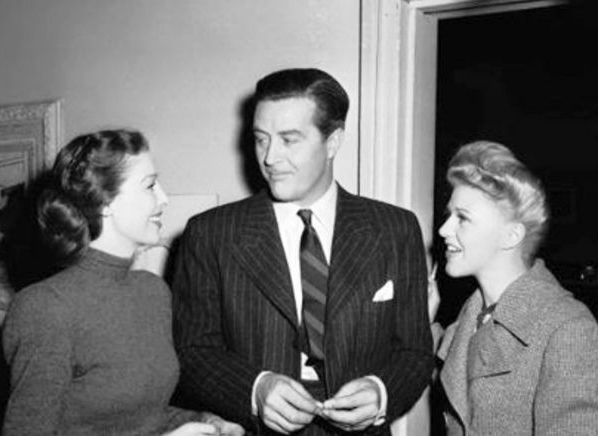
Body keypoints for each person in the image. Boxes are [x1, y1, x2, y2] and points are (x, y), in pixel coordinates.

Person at [171, 68, 434, 435]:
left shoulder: (395, 229)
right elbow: (192, 352)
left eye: (289, 140)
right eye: (261, 139)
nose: (270, 157)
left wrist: (382, 392)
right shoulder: (211, 234)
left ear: (333, 141)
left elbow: (415, 352)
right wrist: (255, 389)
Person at [2, 129, 244, 436]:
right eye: (150, 185)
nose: (164, 199)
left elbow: (143, 416)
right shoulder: (44, 307)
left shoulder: (152, 291)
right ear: (104, 202)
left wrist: (203, 421)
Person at [436, 140, 598, 435]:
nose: (444, 229)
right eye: (449, 216)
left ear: (510, 235)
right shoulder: (471, 317)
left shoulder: (569, 328)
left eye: (463, 218)